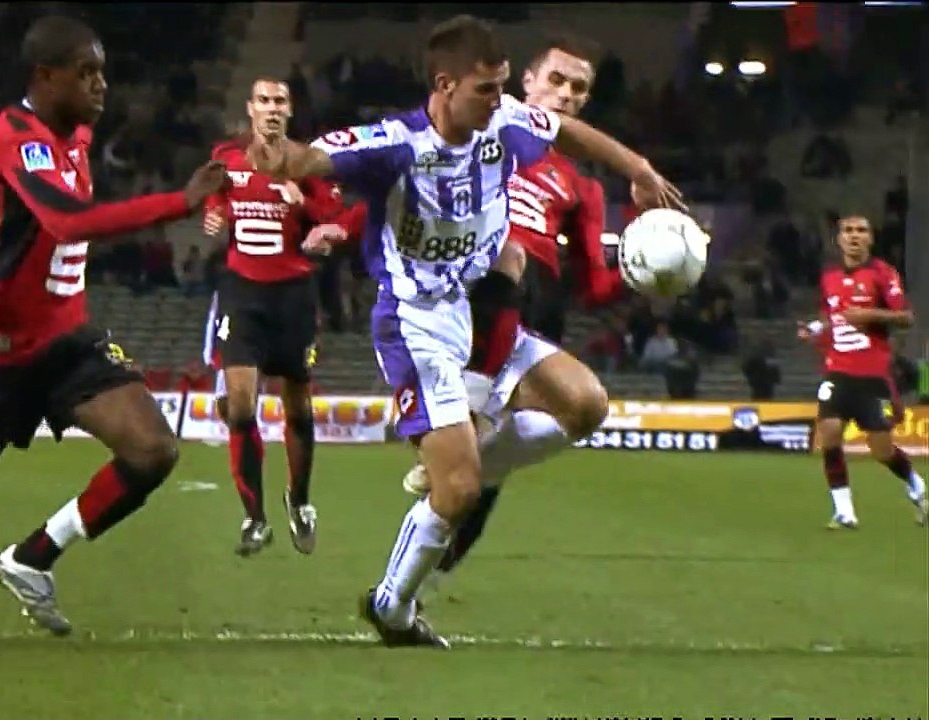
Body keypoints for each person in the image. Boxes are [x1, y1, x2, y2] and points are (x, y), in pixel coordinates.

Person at [260, 14, 681, 648]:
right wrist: (275, 154)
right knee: (457, 493)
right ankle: (393, 605)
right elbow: (311, 157)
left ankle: (466, 466)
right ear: (445, 84)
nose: (501, 101)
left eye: (504, 86)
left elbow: (566, 129)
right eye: (487, 89)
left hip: (485, 312)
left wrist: (641, 169)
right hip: (418, 324)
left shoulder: (507, 122)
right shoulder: (395, 143)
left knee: (587, 404)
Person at [0, 15, 228, 636]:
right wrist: (179, 202)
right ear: (45, 75)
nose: (100, 85)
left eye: (103, 72)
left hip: (66, 340)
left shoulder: (77, 136)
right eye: (85, 73)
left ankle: (33, 558)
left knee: (152, 449)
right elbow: (66, 223)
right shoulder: (14, 136)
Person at [397, 35, 637, 594]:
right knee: (463, 464)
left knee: (482, 482)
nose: (567, 95)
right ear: (525, 83)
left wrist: (640, 274)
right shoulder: (482, 134)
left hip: (538, 310)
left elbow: (594, 288)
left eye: (579, 89)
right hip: (475, 289)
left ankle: (417, 579)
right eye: (556, 80)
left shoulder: (582, 185)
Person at [203, 78, 365, 557]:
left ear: (289, 110)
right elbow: (214, 195)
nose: (272, 109)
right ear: (250, 108)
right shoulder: (227, 157)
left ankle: (299, 500)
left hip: (293, 296)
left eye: (280, 102)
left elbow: (340, 218)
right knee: (239, 405)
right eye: (264, 101)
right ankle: (254, 519)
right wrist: (214, 213)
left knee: (296, 408)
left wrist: (311, 210)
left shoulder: (307, 163)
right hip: (241, 294)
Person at [797, 214, 926, 528]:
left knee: (880, 449)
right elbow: (833, 314)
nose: (854, 236)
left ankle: (915, 484)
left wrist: (868, 313)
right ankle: (844, 511)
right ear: (839, 239)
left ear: (870, 238)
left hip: (873, 376)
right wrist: (814, 329)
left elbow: (906, 318)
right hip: (838, 370)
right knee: (828, 434)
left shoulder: (883, 274)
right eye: (848, 231)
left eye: (861, 231)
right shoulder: (829, 277)